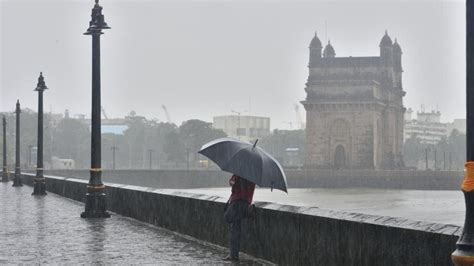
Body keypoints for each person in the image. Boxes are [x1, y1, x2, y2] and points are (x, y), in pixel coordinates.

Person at [223, 174, 256, 262]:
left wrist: (233, 181)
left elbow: (233, 183)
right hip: (246, 202)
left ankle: (234, 255)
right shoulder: (252, 175)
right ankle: (234, 253)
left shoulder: (240, 173)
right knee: (237, 228)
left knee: (234, 229)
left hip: (237, 202)